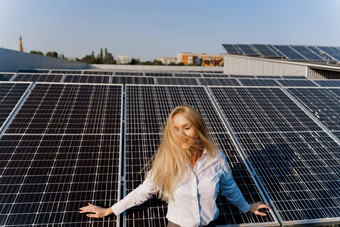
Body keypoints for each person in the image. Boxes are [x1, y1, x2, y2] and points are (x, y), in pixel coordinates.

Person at [80, 105, 270, 226]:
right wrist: (109, 211)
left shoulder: (216, 159)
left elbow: (230, 188)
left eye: (187, 128)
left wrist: (247, 208)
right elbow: (142, 192)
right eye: (176, 130)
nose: (181, 134)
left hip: (212, 223)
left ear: (198, 129)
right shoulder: (166, 162)